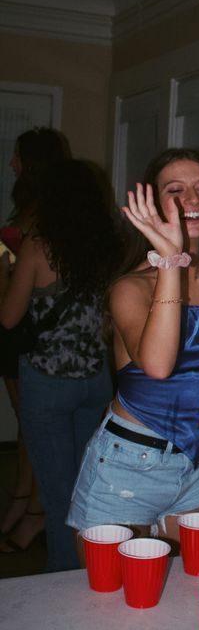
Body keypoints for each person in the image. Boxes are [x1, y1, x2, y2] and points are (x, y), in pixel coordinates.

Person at [67, 148, 199, 551]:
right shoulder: (129, 288)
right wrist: (171, 262)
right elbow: (157, 365)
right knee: (109, 603)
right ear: (152, 205)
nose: (193, 200)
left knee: (191, 594)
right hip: (126, 464)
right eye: (177, 190)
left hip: (195, 463)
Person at [0, 158, 121, 569]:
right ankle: (95, 575)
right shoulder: (109, 247)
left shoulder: (38, 246)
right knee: (86, 491)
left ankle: (64, 585)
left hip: (48, 384)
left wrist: (4, 273)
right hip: (96, 380)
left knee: (57, 498)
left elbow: (9, 318)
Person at [0, 127, 68, 542]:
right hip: (14, 319)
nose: (12, 164)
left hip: (29, 323)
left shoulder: (51, 212)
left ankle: (36, 505)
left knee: (35, 420)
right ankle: (23, 496)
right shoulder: (26, 206)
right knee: (26, 419)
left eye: (17, 156)